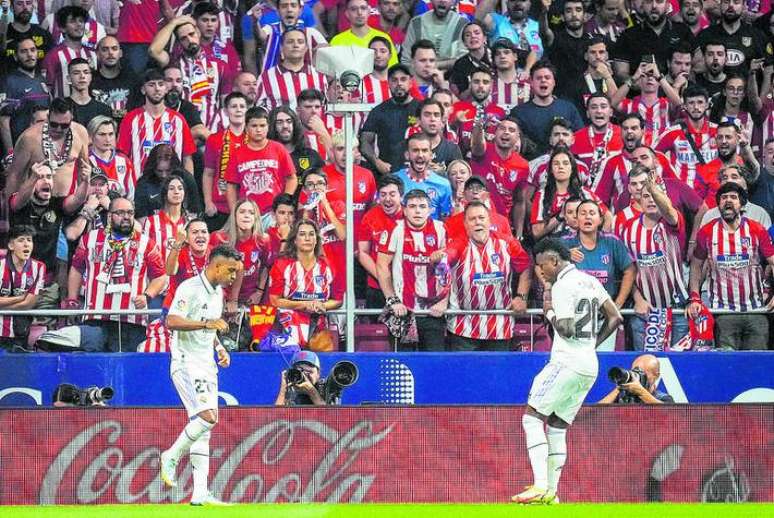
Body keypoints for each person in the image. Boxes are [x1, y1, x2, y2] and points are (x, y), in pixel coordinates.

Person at [513, 238, 622, 504]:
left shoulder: (562, 285)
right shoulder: (590, 280)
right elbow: (616, 317)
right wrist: (591, 345)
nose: (541, 272)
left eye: (542, 266)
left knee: (531, 417)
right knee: (558, 427)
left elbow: (567, 329)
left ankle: (540, 485)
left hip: (566, 361)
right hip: (588, 363)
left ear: (554, 261)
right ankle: (551, 493)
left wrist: (548, 311)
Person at [159, 244, 241, 506]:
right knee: (209, 418)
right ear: (216, 266)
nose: (233, 277)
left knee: (203, 430)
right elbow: (171, 321)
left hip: (206, 363)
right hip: (186, 362)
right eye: (230, 270)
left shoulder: (217, 293)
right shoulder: (189, 288)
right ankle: (171, 455)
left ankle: (200, 494)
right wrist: (207, 324)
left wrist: (218, 348)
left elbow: (210, 326)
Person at [65, 197, 168, 352]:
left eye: (130, 213)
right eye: (120, 213)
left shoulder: (146, 243)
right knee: (95, 367)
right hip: (95, 317)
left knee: (125, 370)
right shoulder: (90, 239)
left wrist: (147, 295)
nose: (126, 217)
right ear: (109, 216)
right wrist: (72, 299)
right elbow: (77, 268)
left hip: (132, 319)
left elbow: (161, 276)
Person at [432, 201, 531, 351]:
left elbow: (526, 267)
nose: (478, 222)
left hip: (499, 327)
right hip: (463, 327)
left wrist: (521, 296)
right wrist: (439, 259)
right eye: (472, 219)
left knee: (496, 374)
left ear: (489, 220)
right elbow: (445, 261)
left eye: (481, 218)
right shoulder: (458, 244)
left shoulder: (507, 243)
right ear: (465, 224)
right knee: (465, 375)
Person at [689, 182, 774, 350]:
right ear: (718, 204)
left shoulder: (756, 229)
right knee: (727, 366)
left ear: (741, 204)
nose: (728, 200)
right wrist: (694, 296)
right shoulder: (706, 232)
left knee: (756, 367)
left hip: (755, 312)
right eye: (723, 197)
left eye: (733, 197)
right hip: (723, 314)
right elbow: (696, 266)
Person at [620, 171, 690, 349]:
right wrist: (637, 299)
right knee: (643, 365)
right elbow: (629, 270)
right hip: (645, 310)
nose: (651, 200)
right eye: (646, 196)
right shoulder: (627, 229)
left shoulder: (672, 222)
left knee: (677, 365)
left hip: (677, 310)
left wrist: (652, 187)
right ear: (638, 201)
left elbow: (668, 211)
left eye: (655, 196)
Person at [376, 189, 447, 351]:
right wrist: (392, 299)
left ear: (430, 210)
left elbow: (446, 268)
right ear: (405, 210)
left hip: (432, 311)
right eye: (412, 206)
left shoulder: (441, 229)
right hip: (402, 311)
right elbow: (381, 265)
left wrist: (443, 301)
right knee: (402, 365)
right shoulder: (395, 229)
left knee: (433, 364)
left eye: (422, 206)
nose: (417, 211)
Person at [563, 199, 635, 350]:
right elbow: (540, 261)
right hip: (574, 319)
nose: (587, 217)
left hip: (604, 319)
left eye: (592, 213)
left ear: (600, 219)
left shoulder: (612, 242)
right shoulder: (565, 243)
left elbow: (630, 270)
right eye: (583, 213)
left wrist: (618, 304)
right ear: (577, 219)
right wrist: (564, 255)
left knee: (601, 364)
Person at [268, 219, 344, 347]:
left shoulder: (329, 266)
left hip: (319, 328)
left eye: (311, 234)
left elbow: (338, 300)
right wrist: (303, 305)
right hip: (288, 327)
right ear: (295, 240)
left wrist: (322, 305)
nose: (307, 238)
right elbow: (274, 300)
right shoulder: (281, 265)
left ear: (316, 240)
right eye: (302, 234)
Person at [9, 161, 89, 281]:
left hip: (46, 278)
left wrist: (86, 181)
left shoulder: (57, 204)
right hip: (17, 277)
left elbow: (77, 199)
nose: (46, 181)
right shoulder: (19, 201)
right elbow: (18, 202)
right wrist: (33, 178)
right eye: (40, 177)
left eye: (49, 177)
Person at [148, 14, 230, 131]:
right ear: (179, 42)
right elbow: (153, 50)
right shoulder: (172, 63)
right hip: (179, 131)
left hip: (210, 131)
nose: (189, 40)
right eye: (183, 38)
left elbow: (224, 105)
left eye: (191, 34)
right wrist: (174, 23)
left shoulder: (220, 66)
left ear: (198, 33)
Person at [5, 97, 90, 199]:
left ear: (71, 119)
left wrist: (83, 200)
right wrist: (9, 211)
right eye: (54, 124)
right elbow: (15, 175)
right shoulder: (29, 138)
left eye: (64, 125)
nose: (58, 129)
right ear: (48, 117)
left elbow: (84, 171)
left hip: (66, 203)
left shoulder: (80, 133)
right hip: (34, 203)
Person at [117, 68, 196, 176]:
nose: (157, 89)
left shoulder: (178, 120)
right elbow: (122, 156)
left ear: (166, 89)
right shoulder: (131, 119)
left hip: (171, 188)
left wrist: (189, 186)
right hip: (139, 188)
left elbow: (187, 158)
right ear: (143, 89)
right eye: (151, 85)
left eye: (161, 84)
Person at [225, 106, 297, 216]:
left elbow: (292, 178)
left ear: (268, 127)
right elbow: (231, 186)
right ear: (246, 128)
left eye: (262, 125)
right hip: (248, 214)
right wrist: (235, 212)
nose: (258, 130)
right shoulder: (236, 153)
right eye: (254, 126)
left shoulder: (278, 149)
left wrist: (283, 202)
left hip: (273, 213)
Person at [470, 115, 529, 238]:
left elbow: (520, 201)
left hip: (502, 225)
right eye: (502, 128)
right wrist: (479, 127)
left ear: (518, 137)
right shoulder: (483, 151)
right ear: (495, 133)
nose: (506, 132)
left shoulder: (522, 165)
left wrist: (518, 234)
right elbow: (476, 144)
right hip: (476, 220)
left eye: (511, 130)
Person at [532, 148, 610, 240]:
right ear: (551, 170)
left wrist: (601, 240)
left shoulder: (584, 192)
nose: (561, 167)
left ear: (572, 168)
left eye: (565, 163)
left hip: (584, 243)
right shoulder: (542, 195)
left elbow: (608, 216)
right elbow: (536, 232)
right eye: (556, 164)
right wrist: (560, 216)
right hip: (553, 246)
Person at [360, 64, 422, 174]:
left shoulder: (422, 109)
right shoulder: (378, 111)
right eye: (394, 80)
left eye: (403, 79)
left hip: (417, 171)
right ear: (388, 83)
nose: (399, 84)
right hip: (388, 172)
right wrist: (377, 162)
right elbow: (365, 142)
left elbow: (434, 134)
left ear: (411, 82)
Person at [210, 198, 271, 309]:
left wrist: (259, 292)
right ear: (234, 216)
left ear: (256, 218)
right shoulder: (219, 238)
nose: (246, 215)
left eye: (251, 213)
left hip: (249, 299)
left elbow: (266, 266)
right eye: (242, 212)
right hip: (221, 297)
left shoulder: (263, 240)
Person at [512, 61, 583, 154]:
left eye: (547, 77)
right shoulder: (519, 113)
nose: (543, 80)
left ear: (554, 82)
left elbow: (581, 138)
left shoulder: (568, 108)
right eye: (538, 78)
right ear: (531, 82)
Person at [654, 84, 718, 188]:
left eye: (700, 102)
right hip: (683, 194)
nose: (696, 107)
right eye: (691, 103)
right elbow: (652, 155)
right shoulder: (672, 133)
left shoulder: (718, 132)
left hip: (712, 194)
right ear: (684, 106)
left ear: (707, 105)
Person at [613, 0, 694, 81]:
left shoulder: (683, 31)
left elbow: (698, 65)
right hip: (640, 91)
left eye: (659, 1)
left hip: (677, 90)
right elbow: (620, 73)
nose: (654, 6)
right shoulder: (627, 35)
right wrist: (638, 84)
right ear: (642, 5)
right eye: (648, 1)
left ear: (667, 5)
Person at [202, 92, 247, 231]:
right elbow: (208, 173)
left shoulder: (255, 139)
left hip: (247, 207)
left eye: (242, 106)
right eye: (234, 106)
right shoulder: (214, 139)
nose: (238, 109)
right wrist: (208, 202)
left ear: (247, 110)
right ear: (226, 111)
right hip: (220, 206)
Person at [358, 174, 404, 311]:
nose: (387, 199)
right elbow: (362, 253)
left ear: (401, 196)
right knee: (377, 330)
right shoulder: (370, 217)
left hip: (406, 285)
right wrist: (382, 277)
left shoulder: (410, 215)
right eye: (383, 195)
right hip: (376, 286)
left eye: (392, 194)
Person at [255, 28, 328, 111]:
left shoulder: (319, 76)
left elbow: (324, 108)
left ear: (306, 48)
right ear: (281, 48)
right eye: (290, 42)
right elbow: (259, 113)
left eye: (300, 42)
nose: (295, 45)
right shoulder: (266, 78)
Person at [0, 37, 50, 156]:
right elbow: (3, 121)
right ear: (16, 57)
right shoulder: (9, 81)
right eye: (24, 51)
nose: (29, 54)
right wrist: (10, 153)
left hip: (42, 148)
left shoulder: (41, 80)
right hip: (20, 149)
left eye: (32, 50)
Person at [0, 225, 46, 352]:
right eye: (21, 240)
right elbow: (24, 301)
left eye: (29, 240)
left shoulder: (39, 267)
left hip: (20, 333)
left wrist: (3, 305)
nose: (26, 244)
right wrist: (20, 298)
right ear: (11, 245)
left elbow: (28, 304)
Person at [393, 133, 452, 220]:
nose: (420, 155)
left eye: (424, 150)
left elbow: (445, 221)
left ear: (431, 155)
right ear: (407, 155)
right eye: (415, 150)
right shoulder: (394, 181)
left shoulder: (443, 184)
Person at [42, 6, 97, 98]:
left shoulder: (93, 54)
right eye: (73, 21)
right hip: (63, 110)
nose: (79, 24)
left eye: (81, 21)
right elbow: (47, 87)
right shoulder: (53, 55)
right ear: (62, 28)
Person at [134, 144, 201, 219]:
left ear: (174, 167)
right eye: (159, 171)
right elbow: (140, 217)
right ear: (152, 168)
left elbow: (195, 212)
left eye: (168, 170)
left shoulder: (186, 179)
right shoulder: (144, 183)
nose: (164, 175)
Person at [400, 0, 468, 71]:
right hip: (417, 78)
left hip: (451, 79)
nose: (442, 1)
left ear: (453, 2)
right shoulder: (416, 23)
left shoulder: (462, 24)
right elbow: (406, 61)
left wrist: (435, 65)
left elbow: (464, 61)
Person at [330, 0, 398, 66]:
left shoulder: (384, 38)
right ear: (347, 14)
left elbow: (393, 70)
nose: (359, 12)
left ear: (368, 12)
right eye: (354, 9)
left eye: (363, 8)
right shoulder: (337, 41)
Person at [268, 104, 325, 181]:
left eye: (289, 121)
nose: (285, 126)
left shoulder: (311, 156)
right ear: (272, 126)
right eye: (279, 122)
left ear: (295, 125)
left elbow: (322, 186)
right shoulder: (265, 158)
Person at [91, 35, 140, 123]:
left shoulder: (132, 79)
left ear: (120, 53)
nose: (110, 53)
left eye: (114, 48)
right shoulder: (90, 81)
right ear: (97, 54)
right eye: (105, 49)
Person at [0, 0, 54, 75]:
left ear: (32, 7)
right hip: (9, 84)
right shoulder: (4, 34)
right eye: (20, 3)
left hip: (38, 83)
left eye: (28, 3)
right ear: (12, 8)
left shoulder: (44, 34)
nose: (25, 7)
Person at [476, 0, 543, 57]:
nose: (517, 3)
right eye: (513, 0)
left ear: (529, 4)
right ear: (507, 3)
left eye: (522, 0)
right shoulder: (497, 21)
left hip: (535, 70)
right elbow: (478, 18)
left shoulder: (538, 26)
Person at [599, 354, 675, 404]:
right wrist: (619, 389)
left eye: (643, 373)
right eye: (635, 372)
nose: (638, 376)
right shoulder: (622, 397)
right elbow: (595, 411)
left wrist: (641, 392)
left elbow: (667, 412)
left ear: (656, 376)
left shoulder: (664, 398)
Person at [66, 57, 112, 127]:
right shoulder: (61, 107)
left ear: (91, 77)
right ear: (69, 78)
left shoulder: (103, 110)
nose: (82, 76)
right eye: (76, 73)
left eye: (86, 72)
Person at [362, 36, 393, 104]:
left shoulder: (401, 82)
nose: (378, 55)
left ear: (390, 56)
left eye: (383, 51)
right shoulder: (360, 84)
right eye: (373, 51)